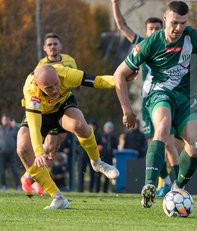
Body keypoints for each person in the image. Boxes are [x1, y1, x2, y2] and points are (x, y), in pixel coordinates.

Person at [114, 0, 197, 208]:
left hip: (189, 99)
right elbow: (119, 74)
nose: (178, 28)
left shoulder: (194, 36)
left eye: (182, 23)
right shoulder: (150, 43)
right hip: (161, 95)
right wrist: (127, 109)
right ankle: (150, 187)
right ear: (165, 18)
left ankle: (176, 188)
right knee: (162, 128)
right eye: (174, 22)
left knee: (196, 145)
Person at [17, 64, 137, 209]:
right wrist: (38, 152)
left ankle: (97, 162)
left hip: (62, 106)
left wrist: (119, 80)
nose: (55, 89)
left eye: (57, 84)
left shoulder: (65, 74)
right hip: (41, 114)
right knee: (23, 149)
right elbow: (35, 127)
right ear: (38, 85)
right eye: (49, 87)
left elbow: (97, 81)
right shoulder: (32, 93)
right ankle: (58, 197)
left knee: (79, 126)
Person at [111, 0, 179, 197]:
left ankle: (177, 185)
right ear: (147, 31)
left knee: (167, 142)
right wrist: (115, 3)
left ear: (163, 27)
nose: (154, 32)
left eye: (157, 28)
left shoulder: (171, 44)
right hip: (148, 99)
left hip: (167, 97)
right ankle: (165, 182)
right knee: (153, 144)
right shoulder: (143, 44)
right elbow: (122, 26)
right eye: (150, 29)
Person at [21, 33, 78, 196]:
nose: (53, 47)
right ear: (45, 48)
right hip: (48, 110)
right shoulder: (42, 64)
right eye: (49, 44)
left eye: (55, 44)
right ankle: (32, 176)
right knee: (50, 145)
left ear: (60, 46)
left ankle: (37, 176)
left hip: (63, 105)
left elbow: (72, 80)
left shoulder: (69, 60)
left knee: (54, 147)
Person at [78, 120, 102, 193]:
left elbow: (100, 145)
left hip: (92, 156)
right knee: (81, 172)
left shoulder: (98, 134)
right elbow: (78, 143)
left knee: (93, 173)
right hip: (83, 155)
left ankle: (91, 188)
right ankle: (80, 188)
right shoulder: (83, 132)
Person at [0, 114, 21, 191]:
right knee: (2, 171)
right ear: (2, 121)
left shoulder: (14, 129)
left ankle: (18, 186)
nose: (6, 121)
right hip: (2, 153)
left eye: (7, 120)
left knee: (15, 170)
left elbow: (18, 138)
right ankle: (4, 186)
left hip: (11, 153)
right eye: (5, 120)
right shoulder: (0, 129)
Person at [96, 121, 118, 193]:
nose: (108, 130)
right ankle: (97, 190)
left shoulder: (113, 138)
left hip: (109, 158)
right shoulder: (100, 137)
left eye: (109, 128)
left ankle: (105, 191)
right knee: (98, 175)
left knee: (107, 176)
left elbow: (116, 148)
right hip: (101, 158)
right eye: (107, 128)